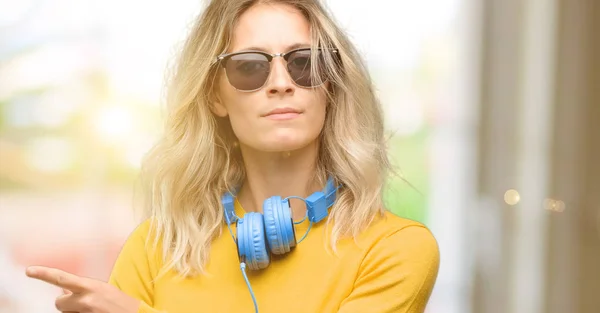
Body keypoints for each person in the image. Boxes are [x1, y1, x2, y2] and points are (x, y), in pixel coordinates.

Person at [25, 0, 440, 312]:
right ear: (215, 95)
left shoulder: (396, 250)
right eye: (249, 66)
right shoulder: (155, 248)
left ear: (330, 84)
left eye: (305, 63)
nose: (280, 83)